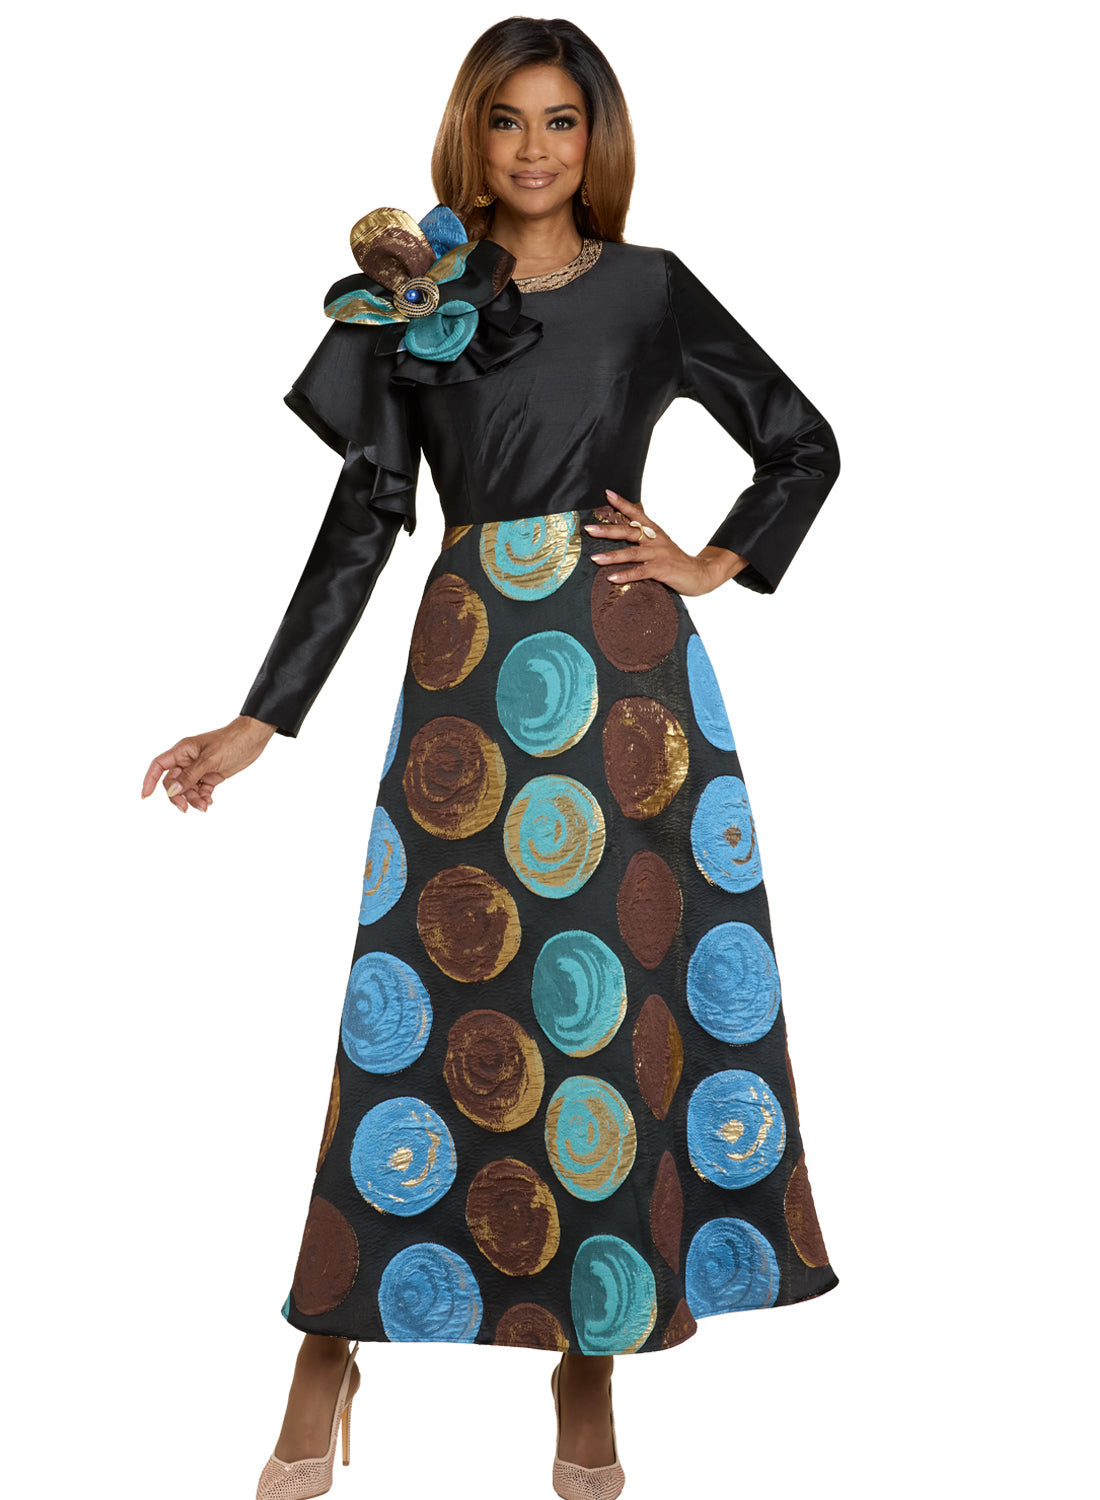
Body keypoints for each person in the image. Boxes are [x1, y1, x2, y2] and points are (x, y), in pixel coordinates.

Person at [142, 16, 841, 1500]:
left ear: (599, 139)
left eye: (562, 121)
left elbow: (802, 441)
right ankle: (328, 1347)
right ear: (471, 133)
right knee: (422, 1000)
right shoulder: (416, 300)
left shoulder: (651, 289)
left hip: (630, 689)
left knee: (608, 1013)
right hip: (468, 672)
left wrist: (712, 561)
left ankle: (591, 1365)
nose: (534, 148)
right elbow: (364, 517)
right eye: (508, 120)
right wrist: (259, 719)